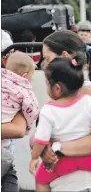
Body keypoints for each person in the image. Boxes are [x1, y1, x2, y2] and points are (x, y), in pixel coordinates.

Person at [36, 30, 91, 191]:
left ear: (65, 56)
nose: (43, 65)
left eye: (46, 58)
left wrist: (56, 147)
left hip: (81, 182)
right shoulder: (61, 92)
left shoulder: (86, 91)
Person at [1, 52, 39, 192]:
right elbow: (32, 110)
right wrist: (29, 126)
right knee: (10, 175)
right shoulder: (23, 90)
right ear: (24, 76)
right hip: (4, 143)